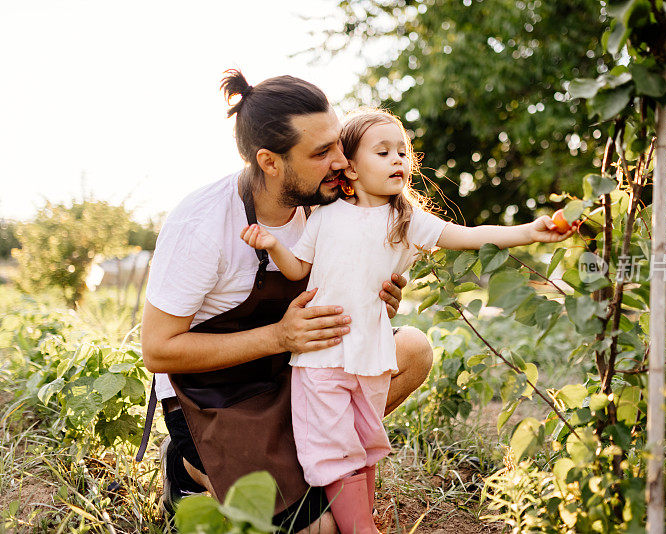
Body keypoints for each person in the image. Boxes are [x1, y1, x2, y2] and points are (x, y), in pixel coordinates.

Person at [239, 109, 578, 533]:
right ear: (351, 167)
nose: (398, 159)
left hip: (372, 356)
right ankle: (361, 528)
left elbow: (471, 236)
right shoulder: (325, 216)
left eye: (403, 150)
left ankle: (363, 521)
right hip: (322, 357)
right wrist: (272, 245)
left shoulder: (406, 220)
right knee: (334, 449)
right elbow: (297, 269)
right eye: (382, 152)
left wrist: (530, 231)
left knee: (363, 442)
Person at [140, 72, 434, 534]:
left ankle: (316, 467)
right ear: (270, 162)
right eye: (321, 153)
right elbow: (157, 350)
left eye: (338, 143)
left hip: (295, 372)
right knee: (323, 531)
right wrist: (279, 335)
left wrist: (373, 300)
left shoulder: (331, 205)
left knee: (412, 349)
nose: (342, 162)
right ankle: (187, 470)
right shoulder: (202, 224)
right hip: (216, 398)